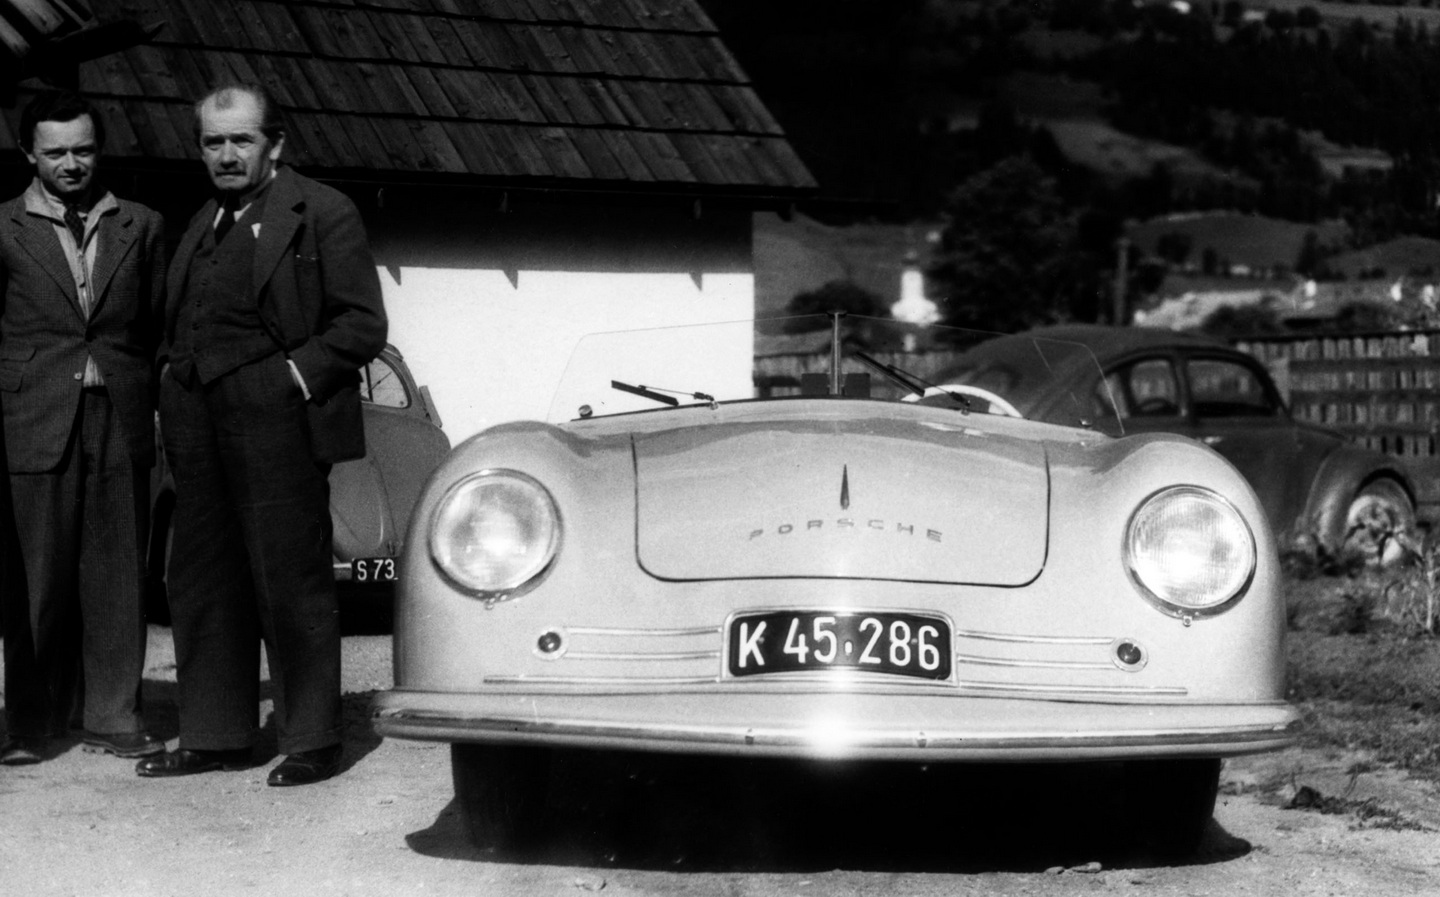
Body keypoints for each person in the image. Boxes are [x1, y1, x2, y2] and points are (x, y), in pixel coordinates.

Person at [136, 83, 387, 786]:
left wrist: (288, 379)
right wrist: (169, 381)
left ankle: (313, 736)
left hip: (276, 416)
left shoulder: (322, 212)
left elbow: (362, 324)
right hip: (196, 418)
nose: (225, 154)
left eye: (240, 140)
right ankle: (217, 733)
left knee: (289, 577)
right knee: (202, 577)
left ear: (274, 144)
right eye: (213, 142)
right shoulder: (202, 222)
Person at [0, 90, 166, 765]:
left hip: (118, 415)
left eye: (83, 149)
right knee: (36, 576)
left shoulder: (142, 224)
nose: (71, 163)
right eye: (56, 151)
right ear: (29, 154)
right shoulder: (3, 227)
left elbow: (155, 325)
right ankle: (31, 719)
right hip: (32, 414)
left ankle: (112, 711)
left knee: (116, 571)